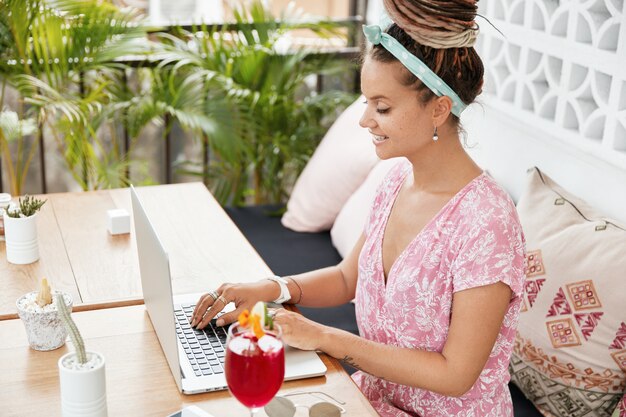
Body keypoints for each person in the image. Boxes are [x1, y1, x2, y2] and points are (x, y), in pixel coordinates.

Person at [191, 1, 526, 415]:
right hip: (371, 401)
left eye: (382, 107)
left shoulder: (487, 223)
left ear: (439, 108)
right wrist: (272, 288)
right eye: (366, 102)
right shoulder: (395, 182)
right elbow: (348, 277)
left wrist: (325, 337)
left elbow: (455, 374)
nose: (365, 119)